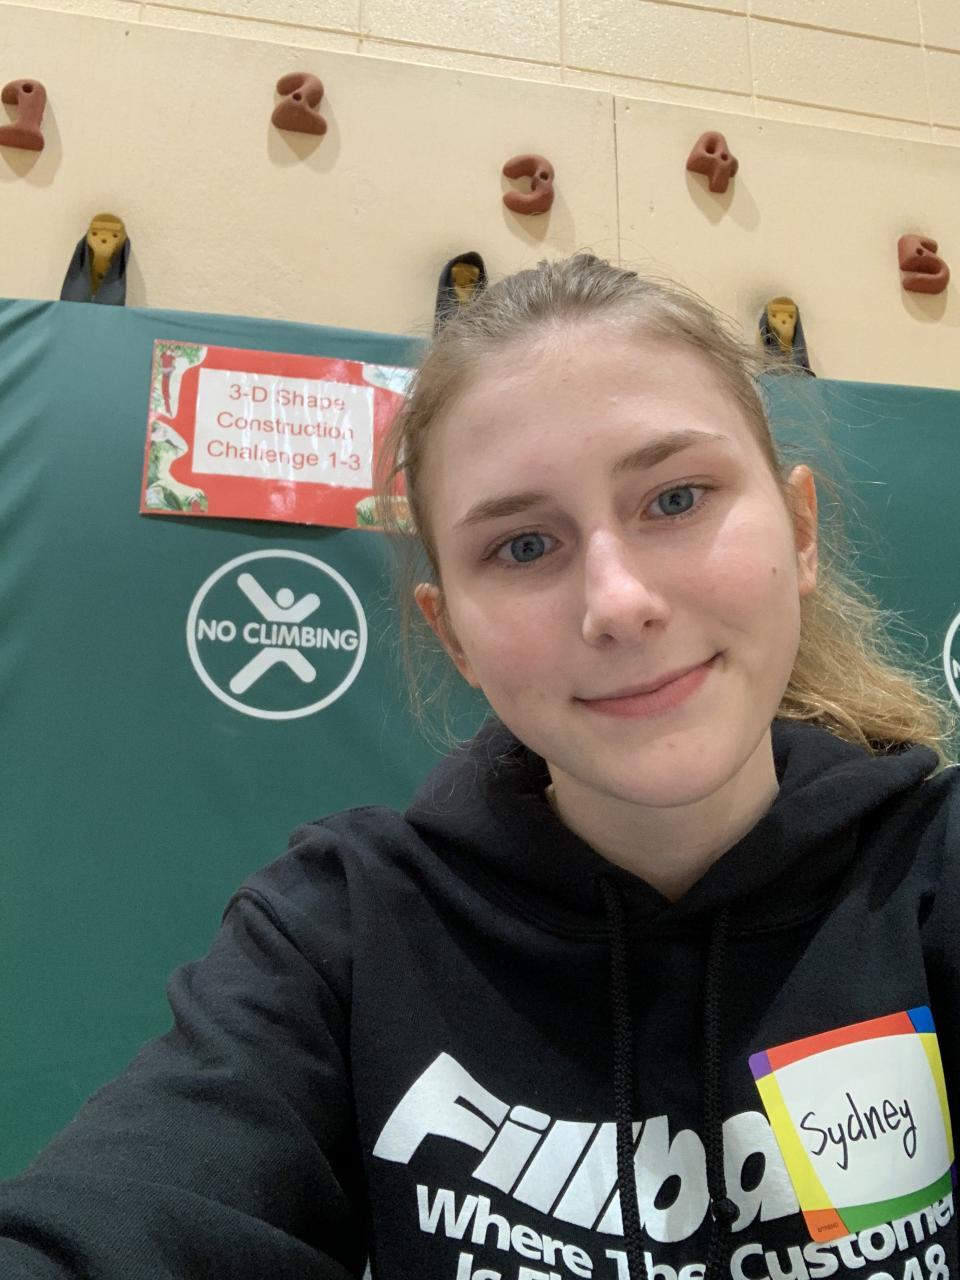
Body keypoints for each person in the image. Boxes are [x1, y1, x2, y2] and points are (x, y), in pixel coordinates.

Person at [1, 254, 957, 1280]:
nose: (618, 601)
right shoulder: (344, 932)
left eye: (676, 497)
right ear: (451, 632)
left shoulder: (931, 877)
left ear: (801, 531)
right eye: (523, 546)